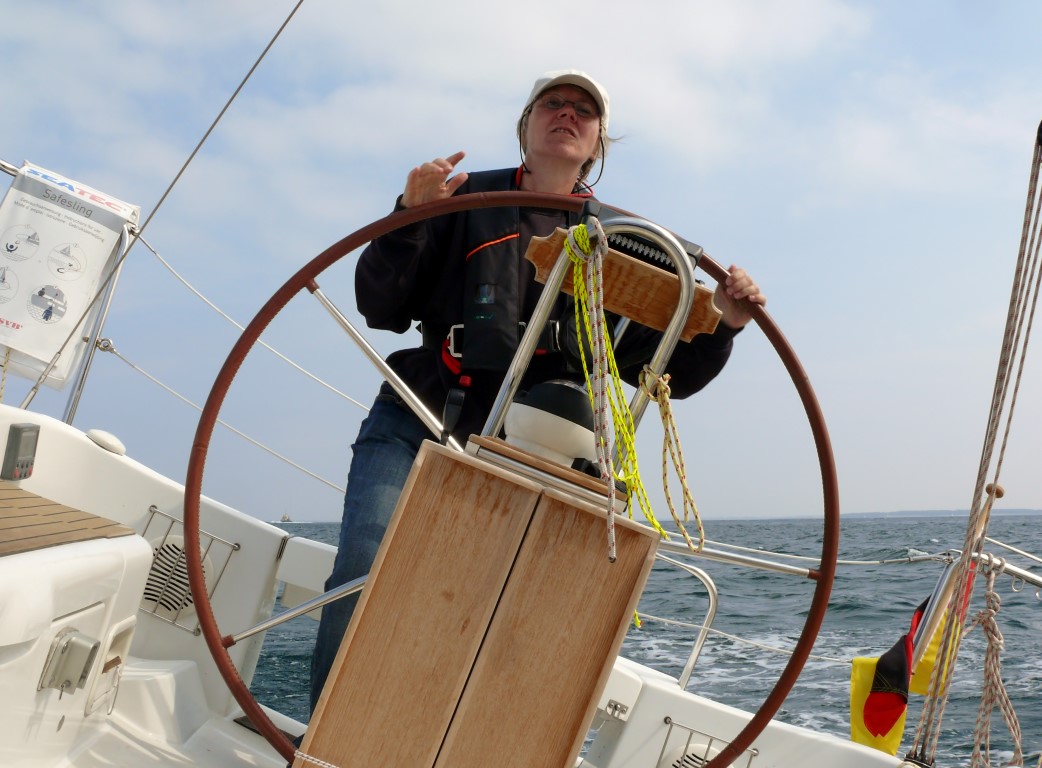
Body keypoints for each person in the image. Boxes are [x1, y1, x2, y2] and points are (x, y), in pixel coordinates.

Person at [308, 69, 766, 714]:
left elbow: (672, 374)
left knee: (505, 617)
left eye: (584, 110)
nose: (566, 113)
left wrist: (726, 324)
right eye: (552, 103)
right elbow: (379, 305)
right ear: (525, 126)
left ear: (598, 143)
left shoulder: (627, 245)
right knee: (365, 565)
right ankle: (325, 740)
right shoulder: (461, 200)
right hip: (423, 415)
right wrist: (408, 217)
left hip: (540, 453)